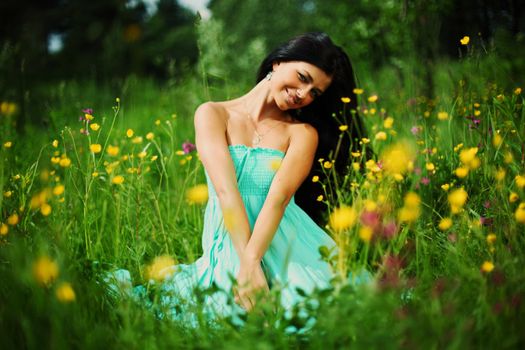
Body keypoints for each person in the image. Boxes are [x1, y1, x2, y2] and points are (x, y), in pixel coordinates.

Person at [106, 32, 368, 329]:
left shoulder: (302, 133)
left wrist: (252, 260)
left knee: (314, 315)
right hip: (228, 241)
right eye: (303, 77)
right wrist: (247, 263)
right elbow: (225, 191)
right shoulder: (212, 114)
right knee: (225, 314)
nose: (303, 94)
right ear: (277, 63)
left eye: (315, 93)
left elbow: (279, 200)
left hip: (281, 242)